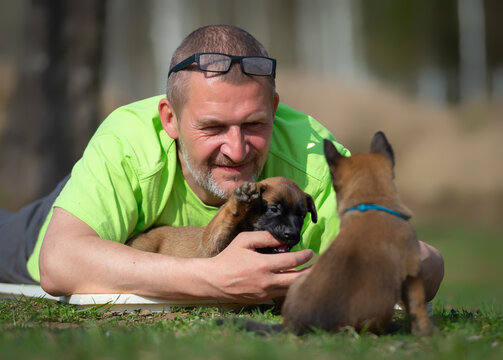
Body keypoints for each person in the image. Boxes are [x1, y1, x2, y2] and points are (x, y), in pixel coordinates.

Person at [0, 25, 444, 303]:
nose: (237, 149)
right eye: (212, 127)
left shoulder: (312, 154)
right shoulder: (127, 140)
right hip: (46, 231)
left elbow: (424, 262)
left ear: (274, 107)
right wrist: (212, 279)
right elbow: (60, 263)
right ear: (169, 119)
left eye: (254, 123)